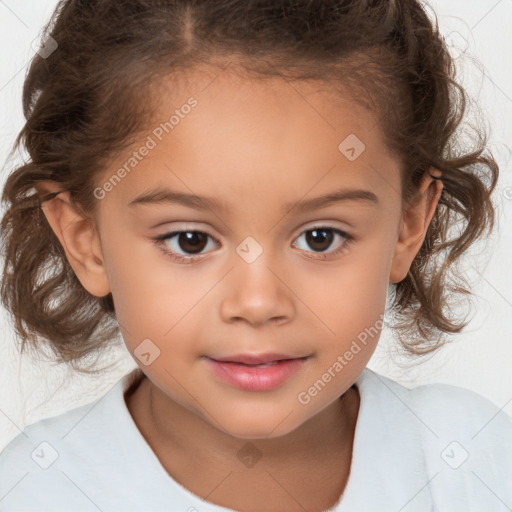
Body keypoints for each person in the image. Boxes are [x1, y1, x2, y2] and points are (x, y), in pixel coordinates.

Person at [0, 1, 510, 511]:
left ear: (408, 226)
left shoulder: (469, 462)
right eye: (190, 241)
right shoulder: (36, 490)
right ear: (85, 239)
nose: (259, 302)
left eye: (320, 238)